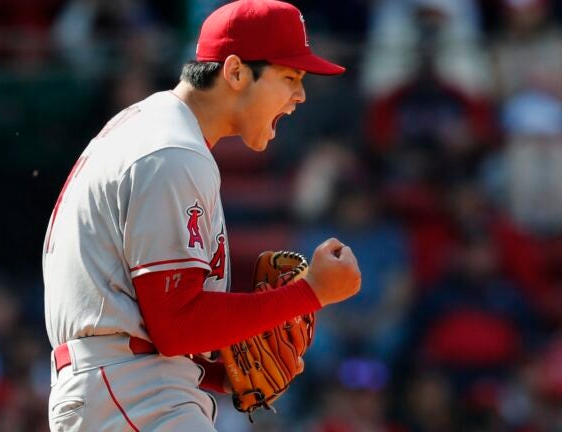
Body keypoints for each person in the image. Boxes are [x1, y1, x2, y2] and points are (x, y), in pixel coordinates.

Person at [41, 1, 362, 430]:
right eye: (289, 77)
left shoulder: (154, 130)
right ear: (234, 72)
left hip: (124, 388)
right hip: (133, 394)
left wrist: (221, 373)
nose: (300, 95)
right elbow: (176, 325)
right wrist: (311, 293)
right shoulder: (172, 152)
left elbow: (160, 327)